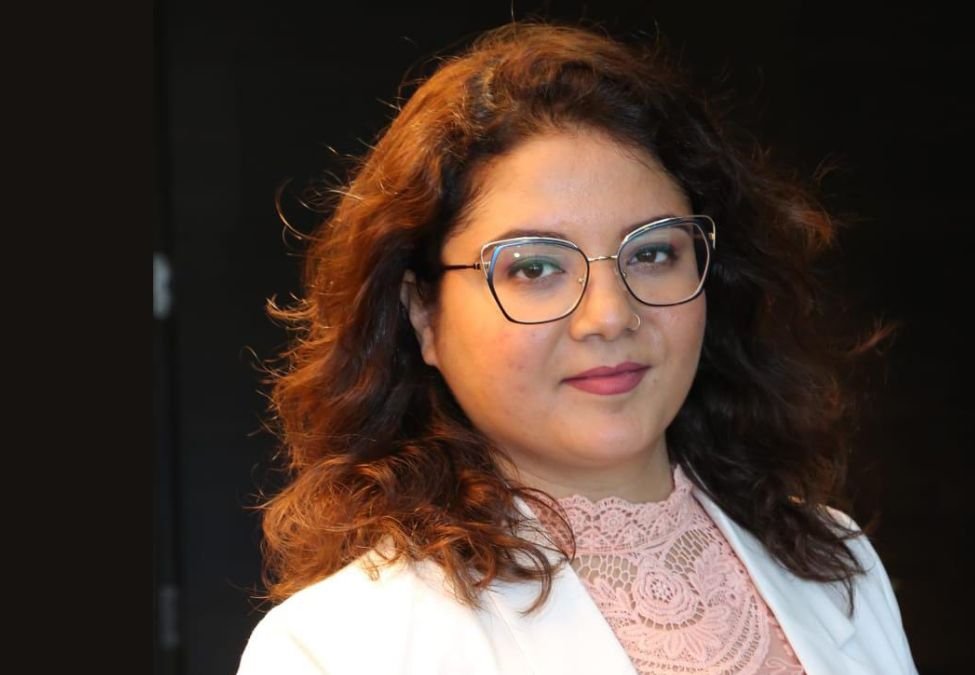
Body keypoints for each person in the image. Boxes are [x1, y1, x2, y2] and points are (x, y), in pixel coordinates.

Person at [238, 20, 918, 675]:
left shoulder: (837, 566)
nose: (610, 316)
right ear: (423, 314)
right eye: (535, 268)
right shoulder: (339, 647)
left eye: (652, 253)